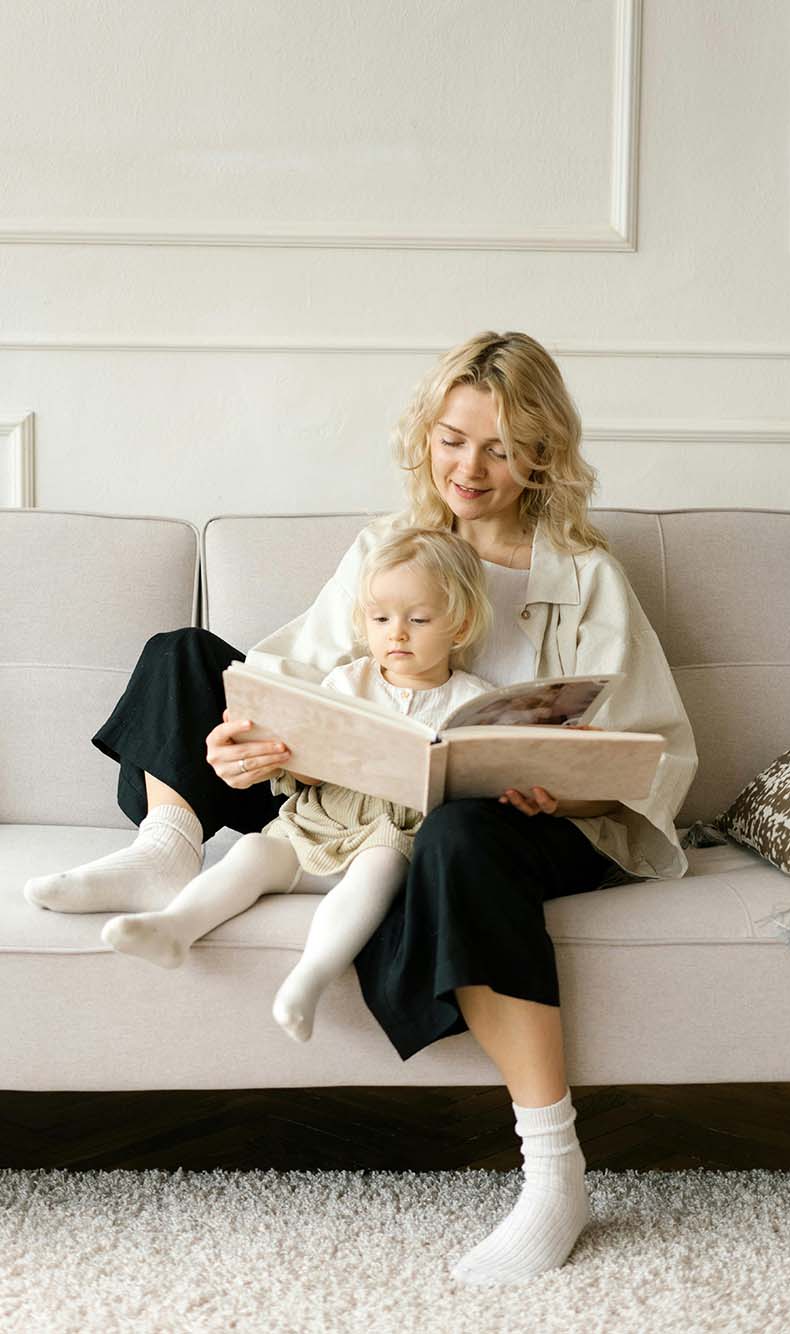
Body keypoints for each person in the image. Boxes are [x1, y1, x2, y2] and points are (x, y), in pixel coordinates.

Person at [22, 331, 698, 1288]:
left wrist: (565, 784)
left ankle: (555, 1175)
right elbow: (290, 672)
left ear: (542, 454)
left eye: (502, 448)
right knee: (183, 655)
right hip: (357, 794)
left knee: (463, 834)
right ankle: (169, 846)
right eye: (454, 439)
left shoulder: (586, 574)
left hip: (525, 818)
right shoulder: (387, 550)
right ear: (426, 433)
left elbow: (652, 748)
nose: (471, 467)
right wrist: (243, 737)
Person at [94, 528, 494, 1048]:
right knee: (255, 849)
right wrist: (297, 759)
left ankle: (310, 978)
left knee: (380, 867)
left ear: (458, 625)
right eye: (380, 620)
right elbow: (304, 761)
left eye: (417, 620)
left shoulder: (473, 700)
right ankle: (175, 926)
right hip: (321, 817)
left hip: (393, 831)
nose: (397, 634)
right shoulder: (348, 683)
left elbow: (480, 777)